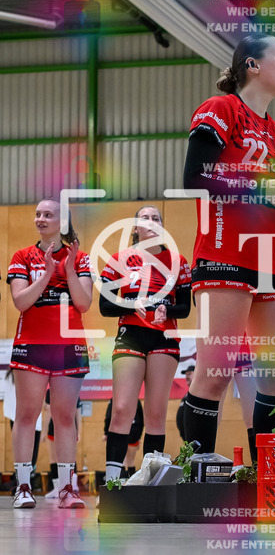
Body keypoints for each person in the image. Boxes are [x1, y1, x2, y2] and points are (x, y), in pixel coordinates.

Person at [179, 33, 275, 458]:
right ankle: (197, 473)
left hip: (274, 262)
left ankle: (269, 479)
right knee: (215, 373)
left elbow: (272, 206)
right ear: (252, 65)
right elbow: (196, 177)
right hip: (225, 255)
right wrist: (263, 187)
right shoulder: (221, 109)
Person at [7, 199, 93, 508]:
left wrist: (68, 271)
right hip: (32, 344)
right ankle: (24, 487)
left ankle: (68, 489)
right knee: (26, 414)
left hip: (69, 346)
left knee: (64, 417)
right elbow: (21, 301)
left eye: (48, 214)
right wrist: (45, 274)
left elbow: (84, 304)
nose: (40, 219)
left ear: (63, 222)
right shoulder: (22, 256)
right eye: (38, 214)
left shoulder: (80, 258)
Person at [99, 205, 192, 481]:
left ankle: (149, 485)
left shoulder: (177, 260)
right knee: (121, 410)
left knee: (156, 414)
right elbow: (105, 305)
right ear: (135, 228)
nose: (151, 222)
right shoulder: (119, 259)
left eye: (156, 218)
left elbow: (184, 308)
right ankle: (112, 483)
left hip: (164, 339)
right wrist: (131, 304)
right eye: (145, 218)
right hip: (130, 334)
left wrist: (166, 310)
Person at [103, 400, 144, 478]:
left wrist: (106, 433)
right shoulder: (136, 400)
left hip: (121, 432)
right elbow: (141, 419)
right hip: (134, 432)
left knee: (122, 461)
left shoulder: (115, 399)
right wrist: (139, 436)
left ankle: (120, 482)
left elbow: (108, 417)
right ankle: (131, 482)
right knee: (131, 461)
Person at [175, 365, 196, 440]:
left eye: (189, 374)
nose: (186, 377)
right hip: (186, 437)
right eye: (186, 375)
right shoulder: (188, 394)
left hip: (194, 436)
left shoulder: (199, 394)